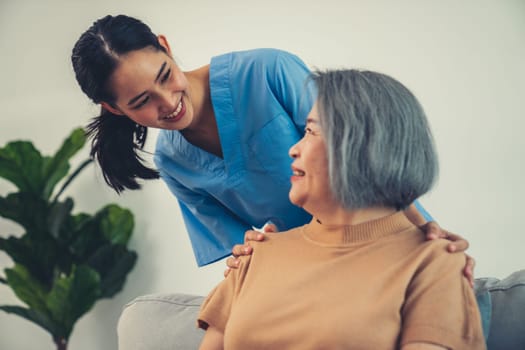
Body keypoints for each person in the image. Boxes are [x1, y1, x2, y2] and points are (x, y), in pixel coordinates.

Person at [71, 14, 473, 278]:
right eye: (141, 102)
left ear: (165, 45)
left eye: (164, 75)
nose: (168, 102)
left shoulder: (268, 71)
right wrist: (255, 261)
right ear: (114, 108)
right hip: (307, 275)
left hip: (382, 242)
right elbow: (247, 254)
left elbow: (364, 151)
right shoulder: (174, 163)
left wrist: (425, 231)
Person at [197, 69, 486, 349]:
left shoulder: (435, 264)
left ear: (366, 145)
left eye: (311, 131)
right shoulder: (255, 254)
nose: (293, 149)